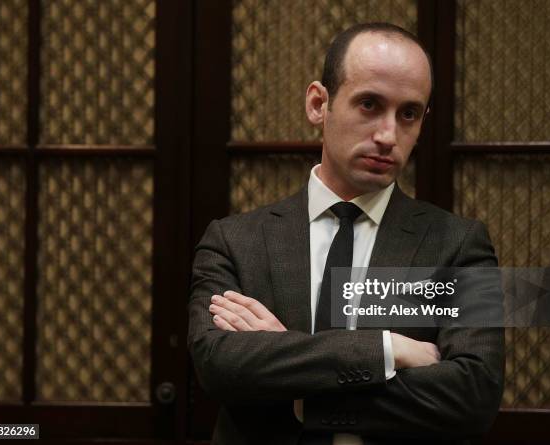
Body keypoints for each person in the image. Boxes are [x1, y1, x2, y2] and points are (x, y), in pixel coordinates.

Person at [188, 23, 504, 445]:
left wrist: (299, 383)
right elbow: (219, 366)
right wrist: (387, 350)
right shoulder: (234, 241)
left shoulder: (458, 245)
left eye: (408, 113)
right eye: (369, 104)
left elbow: (474, 395)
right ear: (319, 103)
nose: (388, 135)